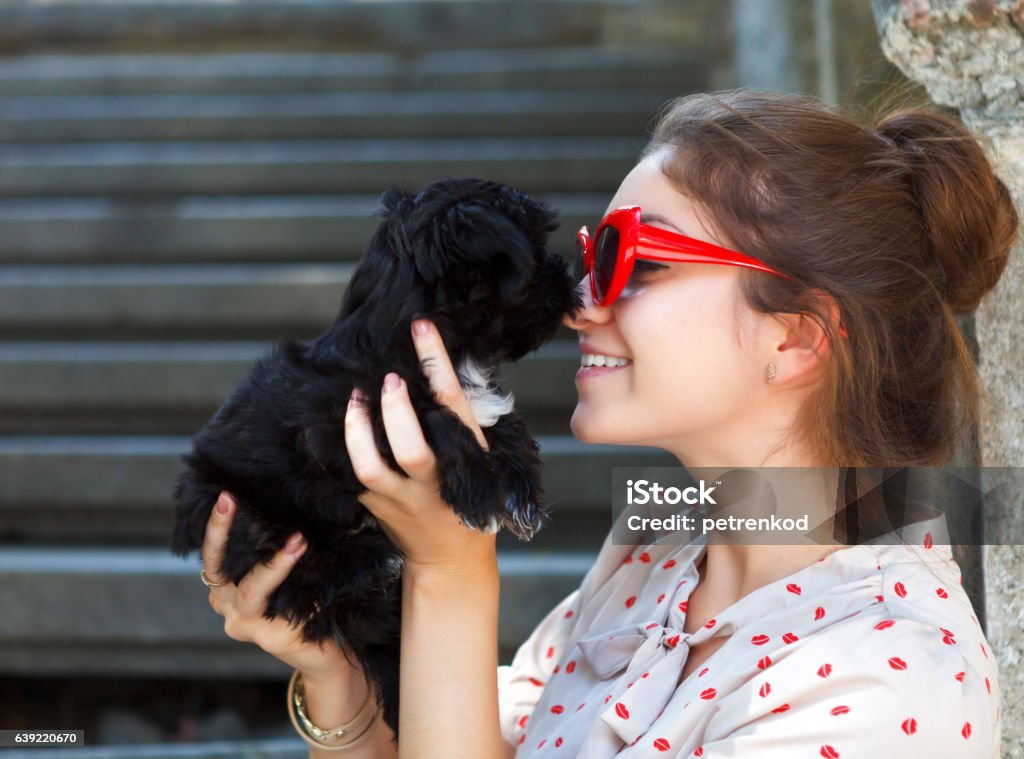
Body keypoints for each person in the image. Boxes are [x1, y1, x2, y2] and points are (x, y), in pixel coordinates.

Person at [197, 90, 1017, 758]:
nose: (581, 303)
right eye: (593, 253)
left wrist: (450, 572)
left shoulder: (882, 685)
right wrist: (340, 678)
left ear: (794, 335)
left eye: (638, 260)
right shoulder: (663, 543)